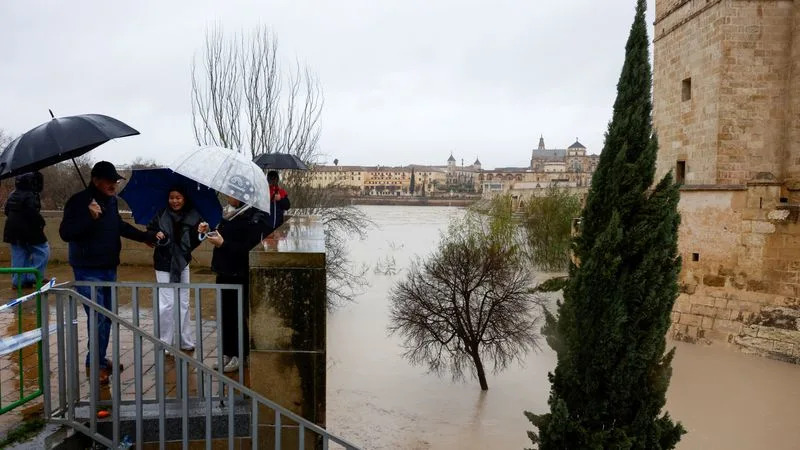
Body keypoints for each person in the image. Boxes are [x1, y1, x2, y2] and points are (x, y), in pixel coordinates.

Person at [59, 161, 156, 385]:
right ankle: (96, 366)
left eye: (115, 181)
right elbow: (66, 233)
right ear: (96, 180)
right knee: (98, 318)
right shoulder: (78, 202)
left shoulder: (110, 202)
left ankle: (98, 360)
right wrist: (89, 217)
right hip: (87, 269)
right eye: (109, 181)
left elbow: (118, 226)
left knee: (107, 318)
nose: (114, 185)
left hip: (109, 267)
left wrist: (145, 237)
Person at [202, 188, 272, 373]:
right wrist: (209, 231)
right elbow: (223, 236)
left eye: (232, 194)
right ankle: (228, 352)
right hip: (223, 270)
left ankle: (241, 355)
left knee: (237, 315)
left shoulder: (256, 218)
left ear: (243, 196)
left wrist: (223, 244)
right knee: (225, 315)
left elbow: (248, 248)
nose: (227, 196)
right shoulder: (228, 213)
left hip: (239, 272)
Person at [147, 186, 203, 352]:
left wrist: (201, 233)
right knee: (168, 304)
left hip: (183, 263)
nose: (175, 201)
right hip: (164, 264)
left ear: (184, 198)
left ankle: (185, 340)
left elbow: (194, 242)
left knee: (183, 302)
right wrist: (155, 235)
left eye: (178, 197)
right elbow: (149, 232)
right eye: (172, 197)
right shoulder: (160, 214)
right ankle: (166, 342)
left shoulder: (194, 216)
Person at [3, 171, 49, 289]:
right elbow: (32, 213)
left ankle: (18, 281)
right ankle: (33, 276)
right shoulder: (30, 195)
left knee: (19, 254)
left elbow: (7, 210)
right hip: (28, 230)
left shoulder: (13, 194)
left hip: (12, 230)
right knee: (43, 251)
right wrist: (41, 223)